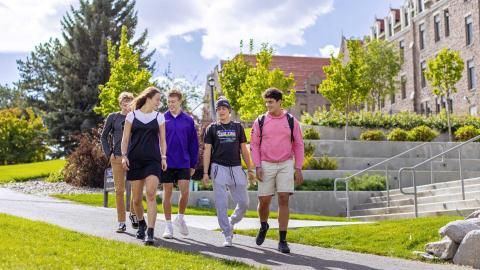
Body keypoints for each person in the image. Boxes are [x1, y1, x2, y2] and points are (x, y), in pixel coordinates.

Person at [250, 88, 305, 254]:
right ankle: (264, 224)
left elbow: (298, 144)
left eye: (271, 102)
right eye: (266, 102)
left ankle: (282, 240)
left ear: (280, 102)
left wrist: (298, 167)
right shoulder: (260, 121)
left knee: (283, 199)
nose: (268, 105)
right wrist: (257, 166)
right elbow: (254, 145)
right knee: (264, 200)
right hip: (266, 164)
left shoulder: (291, 121)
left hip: (286, 164)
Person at [202, 97, 256, 247]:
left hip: (236, 168)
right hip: (218, 168)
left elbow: (244, 149)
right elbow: (207, 151)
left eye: (224, 109)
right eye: (218, 109)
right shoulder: (212, 128)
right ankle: (227, 234)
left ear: (229, 111)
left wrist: (250, 168)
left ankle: (231, 221)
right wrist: (206, 173)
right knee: (221, 203)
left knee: (244, 203)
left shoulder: (238, 127)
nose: (221, 111)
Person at [121, 86, 167, 246]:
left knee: (151, 194)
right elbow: (125, 139)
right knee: (136, 200)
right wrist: (124, 156)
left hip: (153, 160)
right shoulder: (131, 116)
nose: (159, 103)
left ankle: (151, 232)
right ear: (148, 98)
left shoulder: (159, 117)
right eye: (157, 99)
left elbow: (163, 140)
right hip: (135, 160)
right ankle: (141, 223)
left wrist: (163, 157)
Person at [161, 89, 199, 238]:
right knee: (167, 194)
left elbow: (193, 144)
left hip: (184, 161)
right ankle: (168, 226)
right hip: (167, 162)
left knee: (185, 192)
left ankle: (180, 218)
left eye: (173, 102)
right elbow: (159, 141)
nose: (171, 104)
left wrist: (193, 164)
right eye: (169, 102)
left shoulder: (188, 120)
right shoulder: (162, 118)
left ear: (180, 102)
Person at [100, 92, 138, 233]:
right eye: (124, 104)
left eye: (129, 104)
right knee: (119, 191)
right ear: (120, 104)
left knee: (136, 190)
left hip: (133, 158)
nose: (127, 106)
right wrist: (109, 153)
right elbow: (103, 137)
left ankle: (134, 215)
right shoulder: (113, 117)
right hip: (116, 158)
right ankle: (121, 222)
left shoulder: (136, 117)